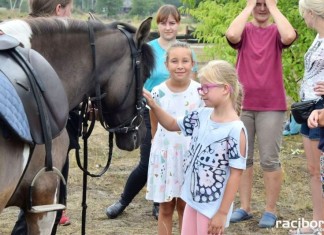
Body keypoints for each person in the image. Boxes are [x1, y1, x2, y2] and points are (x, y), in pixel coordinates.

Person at [105, 4, 198, 220]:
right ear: (158, 24)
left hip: (181, 115)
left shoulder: (186, 50)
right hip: (152, 110)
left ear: (178, 25)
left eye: (172, 23)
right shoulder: (149, 48)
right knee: (149, 160)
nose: (168, 27)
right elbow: (139, 78)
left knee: (177, 160)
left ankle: (161, 203)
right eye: (164, 23)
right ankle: (123, 201)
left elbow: (192, 81)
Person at [143, 59, 247, 235]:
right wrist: (153, 105)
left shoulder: (236, 130)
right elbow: (172, 124)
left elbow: (236, 175)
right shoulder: (201, 115)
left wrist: (221, 213)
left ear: (225, 89)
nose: (201, 92)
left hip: (212, 207)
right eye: (201, 87)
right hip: (192, 200)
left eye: (206, 87)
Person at [225, 0, 297, 228]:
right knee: (243, 158)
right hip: (243, 104)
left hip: (272, 105)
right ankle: (245, 207)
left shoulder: (277, 31)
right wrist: (248, 7)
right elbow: (232, 35)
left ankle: (270, 210)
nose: (263, 7)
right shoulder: (245, 30)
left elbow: (289, 37)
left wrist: (275, 8)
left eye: (267, 3)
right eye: (258, 3)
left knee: (269, 159)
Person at [11, 0, 75, 234]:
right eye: (70, 9)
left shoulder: (19, 31)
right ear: (59, 9)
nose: (71, 14)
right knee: (40, 203)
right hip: (48, 133)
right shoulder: (53, 39)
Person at [145, 42, 204, 234]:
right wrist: (156, 142)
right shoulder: (158, 92)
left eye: (185, 61)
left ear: (193, 64)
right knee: (166, 206)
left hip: (190, 157)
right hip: (165, 156)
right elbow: (154, 122)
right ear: (166, 64)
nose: (180, 66)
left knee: (185, 206)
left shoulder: (200, 92)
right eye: (175, 61)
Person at [291, 1, 324, 234]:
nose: (303, 18)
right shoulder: (318, 37)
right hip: (307, 108)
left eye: (303, 14)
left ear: (311, 13)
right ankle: (318, 221)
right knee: (313, 169)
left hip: (321, 109)